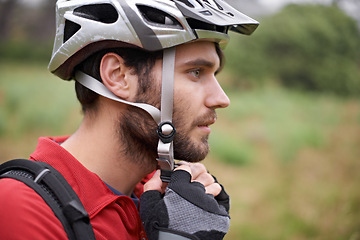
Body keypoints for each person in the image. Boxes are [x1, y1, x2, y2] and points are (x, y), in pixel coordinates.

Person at [0, 0, 258, 239]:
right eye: (195, 72)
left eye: (214, 73)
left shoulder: (161, 201)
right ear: (118, 76)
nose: (221, 99)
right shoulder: (21, 207)